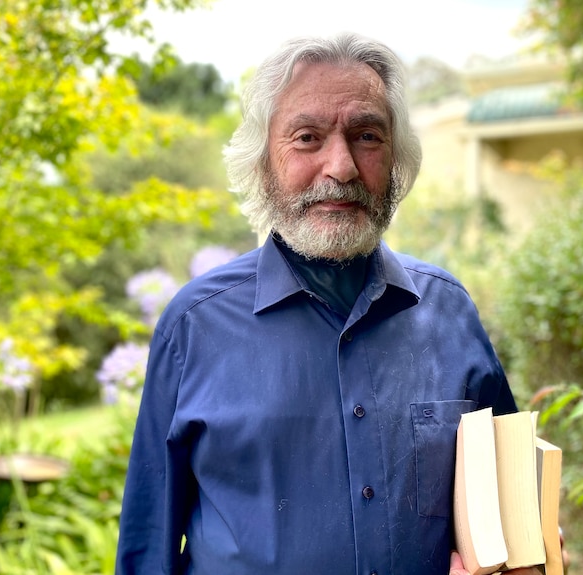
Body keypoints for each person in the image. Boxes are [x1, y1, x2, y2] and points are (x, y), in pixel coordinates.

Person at [116, 32, 548, 575]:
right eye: (307, 137)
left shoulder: (449, 311)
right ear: (263, 163)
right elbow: (146, 547)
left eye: (367, 136)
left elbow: (511, 521)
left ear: (396, 159)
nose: (341, 167)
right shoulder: (195, 324)